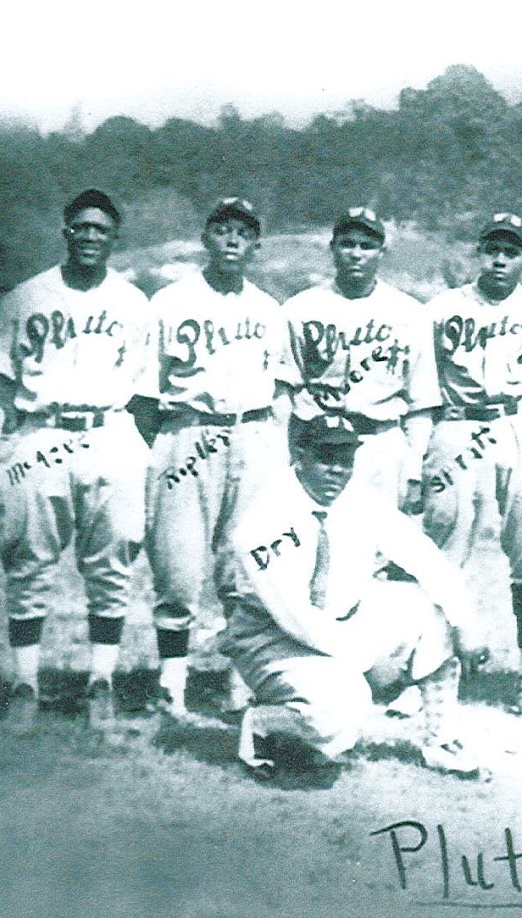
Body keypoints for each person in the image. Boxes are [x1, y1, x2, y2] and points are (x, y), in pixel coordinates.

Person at [224, 414, 491, 781]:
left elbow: (422, 554)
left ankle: (441, 740)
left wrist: (465, 620)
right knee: (342, 714)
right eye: (325, 457)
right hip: (272, 638)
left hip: (342, 620)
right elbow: (297, 618)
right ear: (299, 454)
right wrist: (366, 664)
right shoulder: (262, 520)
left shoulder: (360, 498)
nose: (336, 470)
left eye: (345, 459)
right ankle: (263, 724)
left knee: (434, 613)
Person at [0, 188, 153, 735]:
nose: (89, 237)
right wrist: (22, 426)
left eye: (100, 229)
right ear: (66, 233)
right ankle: (24, 683)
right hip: (44, 432)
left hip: (108, 430)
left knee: (114, 558)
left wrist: (130, 441)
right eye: (80, 227)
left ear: (113, 238)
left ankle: (100, 681)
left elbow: (146, 388)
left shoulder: (133, 302)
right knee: (28, 560)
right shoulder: (25, 297)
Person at [139, 197, 297, 722]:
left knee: (248, 567)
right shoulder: (167, 301)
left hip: (251, 435)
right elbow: (145, 393)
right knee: (179, 568)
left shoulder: (269, 309)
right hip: (187, 431)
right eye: (222, 230)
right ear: (206, 238)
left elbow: (280, 391)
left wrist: (277, 451)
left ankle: (239, 684)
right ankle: (172, 688)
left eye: (243, 233)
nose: (232, 240)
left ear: (256, 246)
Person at [422, 212, 522, 723]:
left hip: (518, 425)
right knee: (442, 554)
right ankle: (429, 678)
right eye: (492, 250)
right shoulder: (442, 308)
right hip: (458, 424)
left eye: (511, 251)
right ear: (479, 254)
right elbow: (424, 380)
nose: (500, 260)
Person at [281, 207, 438, 512]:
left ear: (382, 252)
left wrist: (414, 469)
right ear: (333, 248)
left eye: (367, 246)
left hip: (379, 442)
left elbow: (421, 401)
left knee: (377, 548)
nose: (356, 254)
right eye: (347, 244)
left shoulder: (409, 313)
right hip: (317, 443)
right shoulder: (299, 309)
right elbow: (283, 392)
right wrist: (285, 455)